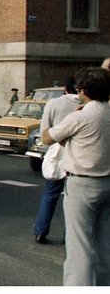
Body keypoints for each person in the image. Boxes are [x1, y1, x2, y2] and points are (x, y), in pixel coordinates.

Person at [42, 67, 110, 286]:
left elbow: (46, 138)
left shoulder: (80, 117)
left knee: (79, 244)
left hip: (82, 183)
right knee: (104, 241)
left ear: (83, 90)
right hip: (107, 182)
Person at [32, 77, 77, 244]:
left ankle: (41, 231)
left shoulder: (54, 104)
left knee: (50, 195)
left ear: (65, 88)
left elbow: (45, 134)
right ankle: (68, 235)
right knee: (72, 199)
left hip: (57, 152)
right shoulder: (88, 107)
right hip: (78, 157)